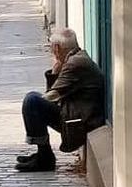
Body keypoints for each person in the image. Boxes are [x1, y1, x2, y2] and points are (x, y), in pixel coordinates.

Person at [16, 28, 105, 172]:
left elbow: (52, 96)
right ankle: (42, 154)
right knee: (34, 100)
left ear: (56, 48)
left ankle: (45, 158)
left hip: (80, 121)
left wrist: (37, 105)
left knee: (32, 101)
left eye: (52, 48)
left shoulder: (74, 63)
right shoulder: (77, 58)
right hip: (79, 114)